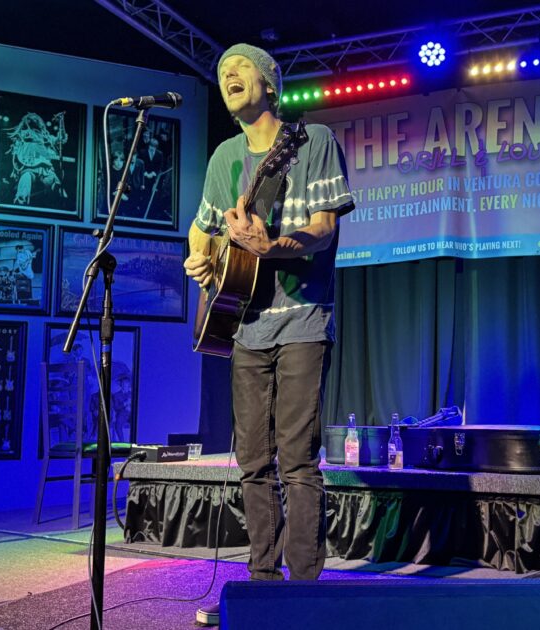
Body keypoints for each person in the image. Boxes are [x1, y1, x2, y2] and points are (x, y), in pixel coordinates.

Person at [183, 43, 354, 604]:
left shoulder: (314, 143)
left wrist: (274, 243)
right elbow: (203, 228)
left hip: (303, 317)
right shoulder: (223, 157)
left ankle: (304, 589)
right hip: (244, 322)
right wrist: (200, 259)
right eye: (222, 70)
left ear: (271, 83)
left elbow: (325, 228)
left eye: (241, 67)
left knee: (298, 459)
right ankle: (262, 582)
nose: (228, 74)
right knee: (253, 459)